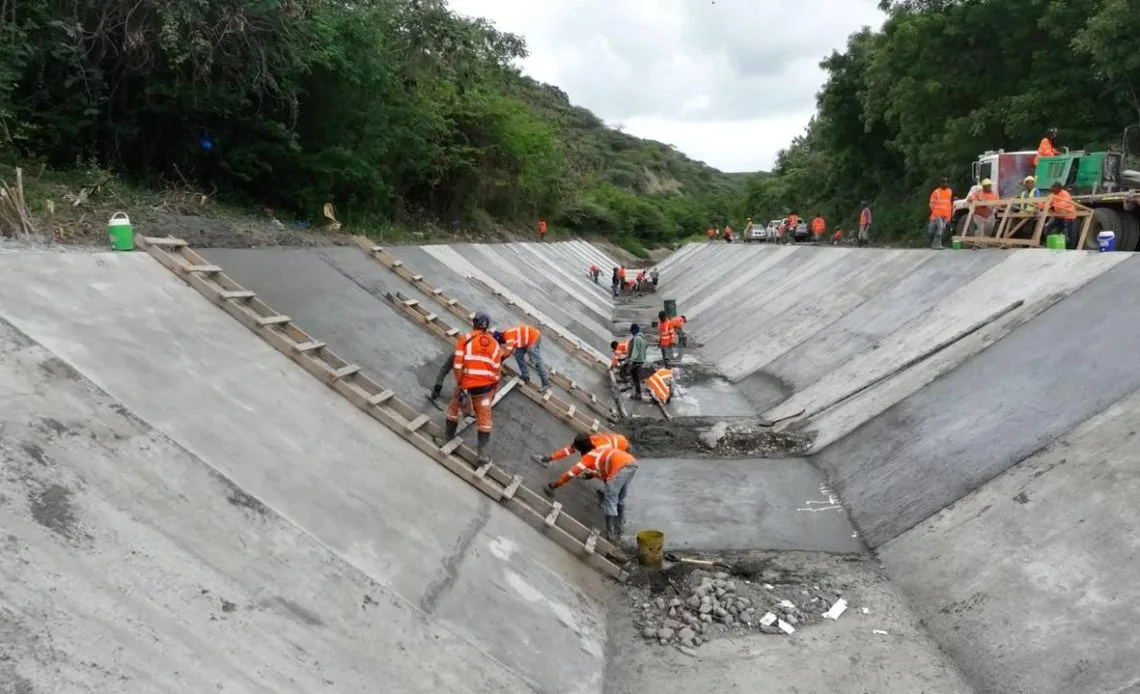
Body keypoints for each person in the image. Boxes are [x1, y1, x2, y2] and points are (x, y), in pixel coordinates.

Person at [544, 445, 639, 543]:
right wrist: (592, 474)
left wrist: (556, 484)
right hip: (631, 463)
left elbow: (571, 473)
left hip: (622, 467)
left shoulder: (589, 457)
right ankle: (619, 527)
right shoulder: (600, 452)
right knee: (620, 496)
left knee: (610, 499)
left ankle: (610, 535)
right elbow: (606, 473)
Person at [446, 310, 502, 465]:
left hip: (466, 386)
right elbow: (497, 371)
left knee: (453, 410)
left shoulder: (465, 339)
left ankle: (447, 438)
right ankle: (482, 454)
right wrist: (492, 392)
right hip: (485, 390)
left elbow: (457, 365)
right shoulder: (496, 345)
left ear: (474, 323)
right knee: (484, 420)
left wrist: (461, 385)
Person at [495, 324, 550, 392]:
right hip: (524, 340)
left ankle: (545, 383)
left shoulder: (508, 337)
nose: (503, 344)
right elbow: (509, 350)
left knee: (536, 361)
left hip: (533, 337)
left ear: (500, 338)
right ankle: (525, 376)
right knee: (518, 355)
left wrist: (499, 361)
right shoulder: (505, 333)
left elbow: (508, 353)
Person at [531, 431, 631, 467]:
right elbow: (570, 449)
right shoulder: (589, 439)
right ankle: (547, 460)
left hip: (622, 450)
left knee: (610, 471)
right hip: (619, 439)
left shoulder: (600, 451)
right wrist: (550, 458)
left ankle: (607, 497)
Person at [1046, 180, 1078, 248]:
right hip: (1059, 216)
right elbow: (1048, 203)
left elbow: (1063, 204)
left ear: (1058, 188)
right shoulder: (1053, 194)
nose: (1051, 189)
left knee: (1069, 234)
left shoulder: (1065, 194)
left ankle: (1070, 249)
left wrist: (1053, 205)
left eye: (1052, 187)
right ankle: (1052, 244)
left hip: (1068, 217)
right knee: (1049, 227)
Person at [928, 177, 953, 249]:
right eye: (944, 182)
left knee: (940, 230)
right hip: (937, 215)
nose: (945, 184)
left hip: (945, 215)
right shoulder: (936, 192)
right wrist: (936, 212)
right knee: (937, 229)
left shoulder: (949, 191)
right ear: (940, 183)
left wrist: (948, 216)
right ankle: (936, 245)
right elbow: (931, 204)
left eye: (946, 182)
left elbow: (948, 204)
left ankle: (936, 245)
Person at [627, 324, 647, 400]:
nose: (632, 333)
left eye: (632, 331)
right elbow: (646, 347)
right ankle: (638, 393)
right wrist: (643, 357)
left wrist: (631, 360)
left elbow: (635, 350)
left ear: (634, 330)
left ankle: (638, 395)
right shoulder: (643, 337)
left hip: (637, 360)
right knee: (636, 377)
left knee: (636, 378)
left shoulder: (636, 338)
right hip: (641, 360)